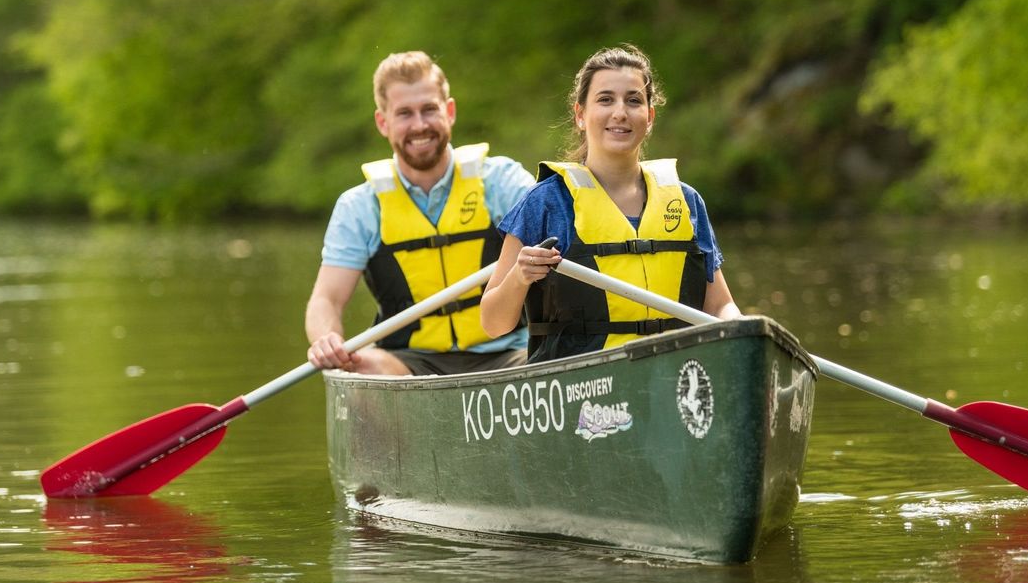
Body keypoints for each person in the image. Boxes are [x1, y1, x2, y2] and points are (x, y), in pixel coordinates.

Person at [480, 44, 739, 362]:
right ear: (580, 115)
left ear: (650, 116)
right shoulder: (545, 203)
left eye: (633, 100)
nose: (620, 112)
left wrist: (743, 333)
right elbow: (493, 323)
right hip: (583, 393)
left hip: (676, 377)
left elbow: (719, 306)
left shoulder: (686, 201)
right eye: (605, 100)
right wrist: (520, 277)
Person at [306, 50, 536, 375]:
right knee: (359, 365)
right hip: (408, 363)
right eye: (404, 114)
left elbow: (562, 242)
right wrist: (326, 338)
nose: (420, 125)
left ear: (450, 111)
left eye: (429, 109)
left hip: (512, 352)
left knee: (554, 353)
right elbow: (326, 299)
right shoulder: (359, 206)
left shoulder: (502, 181)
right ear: (382, 122)